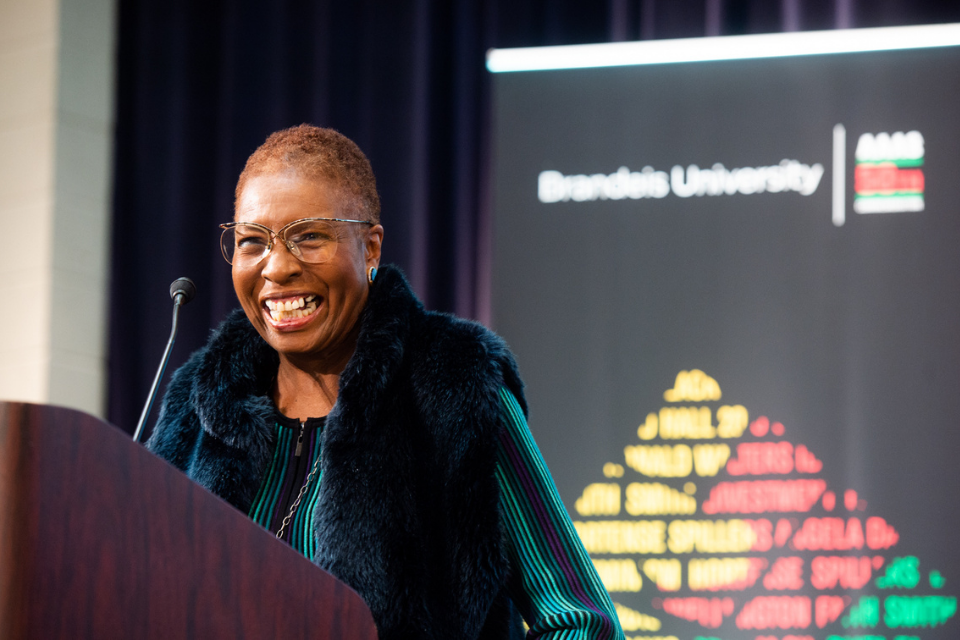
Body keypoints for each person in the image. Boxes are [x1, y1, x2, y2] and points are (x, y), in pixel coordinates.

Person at [147, 125, 624, 640]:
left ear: (370, 249)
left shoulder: (455, 385)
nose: (277, 267)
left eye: (308, 236)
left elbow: (581, 622)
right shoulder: (196, 404)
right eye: (252, 242)